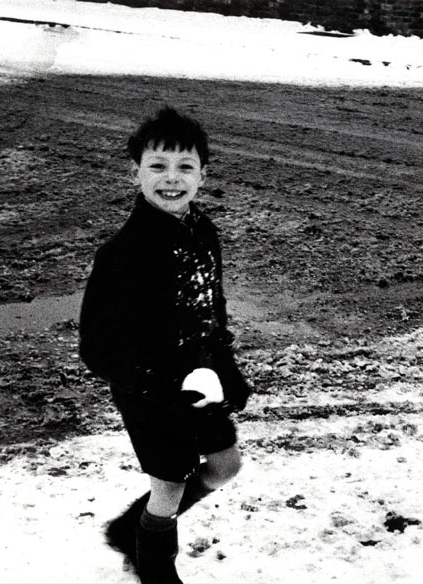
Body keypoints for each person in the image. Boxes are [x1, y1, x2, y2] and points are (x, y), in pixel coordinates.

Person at [79, 106, 251, 582]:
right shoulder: (122, 254)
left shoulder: (204, 233)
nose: (171, 179)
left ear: (202, 175)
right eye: (157, 166)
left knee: (224, 465)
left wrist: (225, 370)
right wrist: (159, 385)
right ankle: (154, 563)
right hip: (150, 394)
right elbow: (96, 346)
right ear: (136, 173)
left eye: (184, 167)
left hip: (202, 384)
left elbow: (210, 312)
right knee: (170, 485)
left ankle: (128, 529)